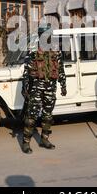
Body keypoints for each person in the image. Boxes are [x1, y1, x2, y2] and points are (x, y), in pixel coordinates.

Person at [21, 25, 67, 154]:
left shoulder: (57, 53)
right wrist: (25, 89)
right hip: (36, 88)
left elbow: (61, 70)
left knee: (48, 116)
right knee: (31, 117)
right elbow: (26, 73)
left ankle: (44, 139)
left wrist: (63, 85)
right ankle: (26, 142)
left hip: (50, 88)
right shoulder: (32, 53)